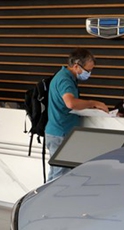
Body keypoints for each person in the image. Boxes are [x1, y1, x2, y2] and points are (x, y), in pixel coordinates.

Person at [44, 48, 108, 181]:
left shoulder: (65, 77)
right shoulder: (65, 80)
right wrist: (93, 103)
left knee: (57, 173)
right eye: (87, 70)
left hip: (60, 131)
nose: (89, 74)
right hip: (60, 133)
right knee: (59, 176)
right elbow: (71, 103)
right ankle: (53, 201)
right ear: (76, 66)